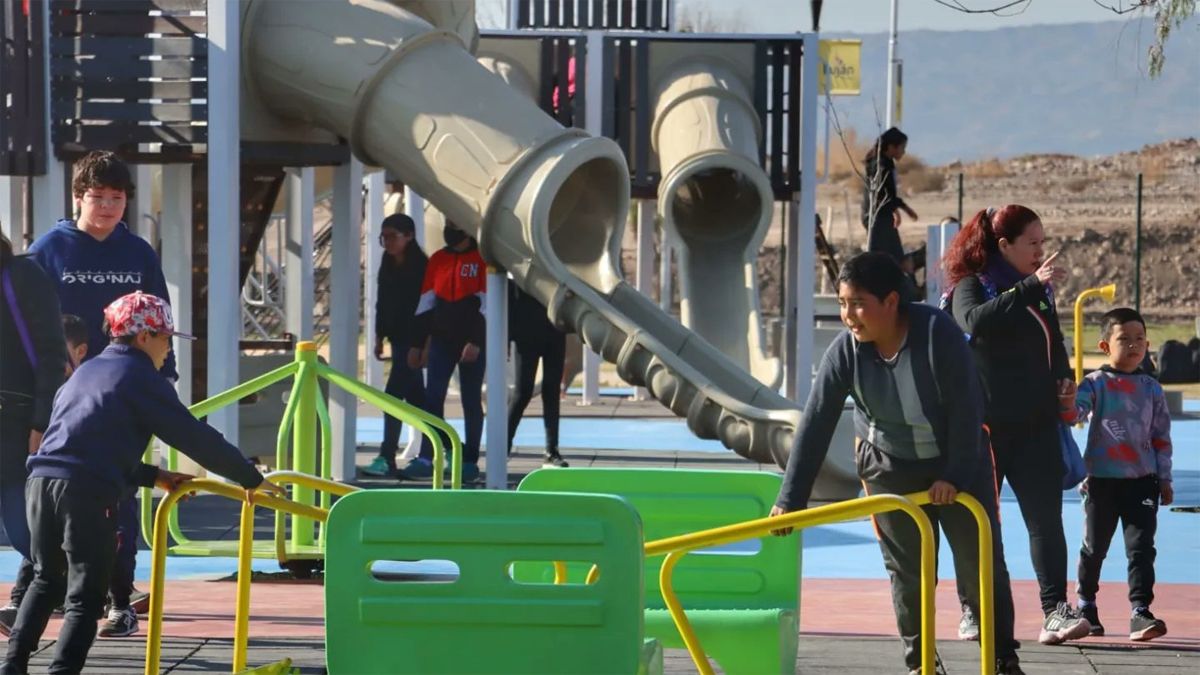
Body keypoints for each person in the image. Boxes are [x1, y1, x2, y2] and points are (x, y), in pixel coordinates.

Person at [770, 252, 1024, 675]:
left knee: (979, 562)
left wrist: (954, 475)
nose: (848, 315)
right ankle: (921, 663)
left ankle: (1001, 658)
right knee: (908, 572)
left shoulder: (937, 334)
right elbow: (815, 423)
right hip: (890, 465)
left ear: (890, 301)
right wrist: (791, 499)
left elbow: (968, 410)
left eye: (858, 303)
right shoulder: (846, 351)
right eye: (843, 303)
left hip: (956, 458)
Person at [1, 292, 280, 675]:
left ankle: (12, 666)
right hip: (86, 491)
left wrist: (153, 475)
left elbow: (81, 442)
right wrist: (250, 478)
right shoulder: (141, 377)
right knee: (85, 597)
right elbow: (192, 436)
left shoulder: (87, 372)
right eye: (166, 338)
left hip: (41, 482)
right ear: (144, 336)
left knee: (46, 579)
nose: (168, 349)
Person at [26, 150, 173, 638]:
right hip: (65, 395)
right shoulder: (50, 250)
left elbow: (159, 315)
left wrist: (164, 375)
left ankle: (120, 601)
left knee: (121, 493)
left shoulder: (139, 253)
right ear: (78, 198)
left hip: (124, 391)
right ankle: (36, 590)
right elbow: (25, 319)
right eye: (98, 197)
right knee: (53, 489)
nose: (108, 206)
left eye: (117, 197)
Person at [942, 204, 1091, 645]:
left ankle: (1055, 610)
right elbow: (974, 322)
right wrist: (1029, 286)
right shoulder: (971, 286)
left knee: (1046, 520)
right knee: (979, 523)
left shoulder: (1039, 292)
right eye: (1033, 243)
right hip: (985, 429)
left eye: (1043, 242)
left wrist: (1064, 376)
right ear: (1004, 245)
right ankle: (974, 607)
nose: (1041, 251)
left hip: (1037, 424)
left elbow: (1054, 340)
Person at [1061, 308, 1172, 642]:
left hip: (1142, 482)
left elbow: (1161, 438)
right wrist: (1067, 403)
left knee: (1141, 548)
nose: (1133, 345)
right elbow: (1075, 414)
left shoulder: (1152, 389)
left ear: (1148, 345)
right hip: (1101, 482)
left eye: (1140, 339)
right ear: (1105, 346)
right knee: (1094, 547)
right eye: (1124, 339)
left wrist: (1164, 479)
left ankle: (1140, 611)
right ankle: (1086, 604)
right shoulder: (1096, 383)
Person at [0, 232, 68, 638]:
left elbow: (50, 352)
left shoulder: (22, 274)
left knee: (25, 528)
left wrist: (41, 422)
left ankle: (87, 583)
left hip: (14, 418)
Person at [0, 314, 85, 636]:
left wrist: (38, 426)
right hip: (26, 458)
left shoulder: (73, 384)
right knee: (32, 538)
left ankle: (106, 592)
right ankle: (27, 602)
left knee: (32, 536)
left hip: (37, 462)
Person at [398, 221, 487, 483]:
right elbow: (426, 303)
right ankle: (429, 456)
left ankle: (469, 461)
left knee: (470, 400)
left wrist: (476, 341)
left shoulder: (481, 260)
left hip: (471, 342)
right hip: (442, 341)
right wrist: (416, 344)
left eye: (454, 224)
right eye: (447, 224)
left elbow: (487, 305)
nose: (449, 229)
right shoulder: (438, 259)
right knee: (432, 399)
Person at [361, 213, 428, 477]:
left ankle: (386, 455)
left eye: (392, 237)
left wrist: (422, 344)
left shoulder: (421, 266)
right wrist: (379, 336)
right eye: (383, 237)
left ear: (409, 236)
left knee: (392, 397)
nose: (387, 242)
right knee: (419, 400)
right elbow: (383, 301)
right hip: (397, 338)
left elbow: (426, 308)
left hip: (414, 340)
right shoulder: (387, 263)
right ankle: (447, 446)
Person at [507, 284, 568, 468]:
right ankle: (503, 443)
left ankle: (551, 449)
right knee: (523, 391)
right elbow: (510, 297)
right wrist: (507, 336)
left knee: (552, 390)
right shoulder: (518, 273)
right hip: (526, 332)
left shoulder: (557, 269)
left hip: (554, 331)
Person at [862, 127, 919, 265]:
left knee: (889, 258)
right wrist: (901, 209)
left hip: (882, 215)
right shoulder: (880, 165)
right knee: (891, 259)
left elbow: (888, 193)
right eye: (902, 147)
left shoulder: (886, 162)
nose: (904, 152)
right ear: (891, 147)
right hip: (877, 218)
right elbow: (882, 193)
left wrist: (898, 209)